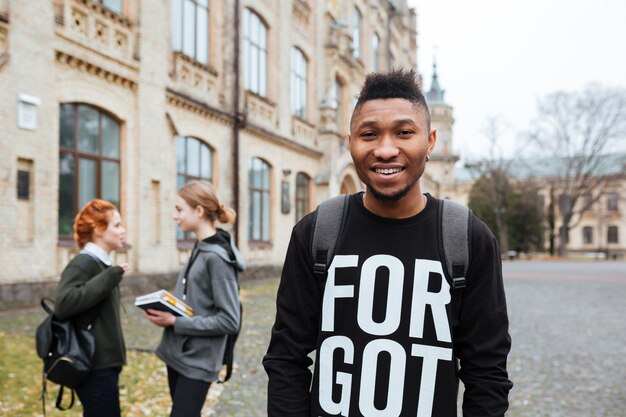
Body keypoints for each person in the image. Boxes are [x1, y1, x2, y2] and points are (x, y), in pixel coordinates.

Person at [263, 69, 513, 417]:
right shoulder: (317, 232)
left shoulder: (468, 238)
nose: (385, 150)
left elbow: (486, 373)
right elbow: (286, 358)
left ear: (430, 141)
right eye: (369, 134)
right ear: (350, 141)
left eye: (404, 132)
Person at [144, 180, 244, 417]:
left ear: (199, 211)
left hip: (198, 362)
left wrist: (174, 322)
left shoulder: (217, 258)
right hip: (177, 355)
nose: (174, 215)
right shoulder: (199, 246)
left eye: (179, 209)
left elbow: (230, 320)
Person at [54, 199, 129, 417]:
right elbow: (64, 304)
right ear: (98, 229)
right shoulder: (85, 262)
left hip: (104, 365)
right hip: (94, 366)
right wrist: (109, 277)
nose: (122, 230)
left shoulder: (101, 263)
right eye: (116, 225)